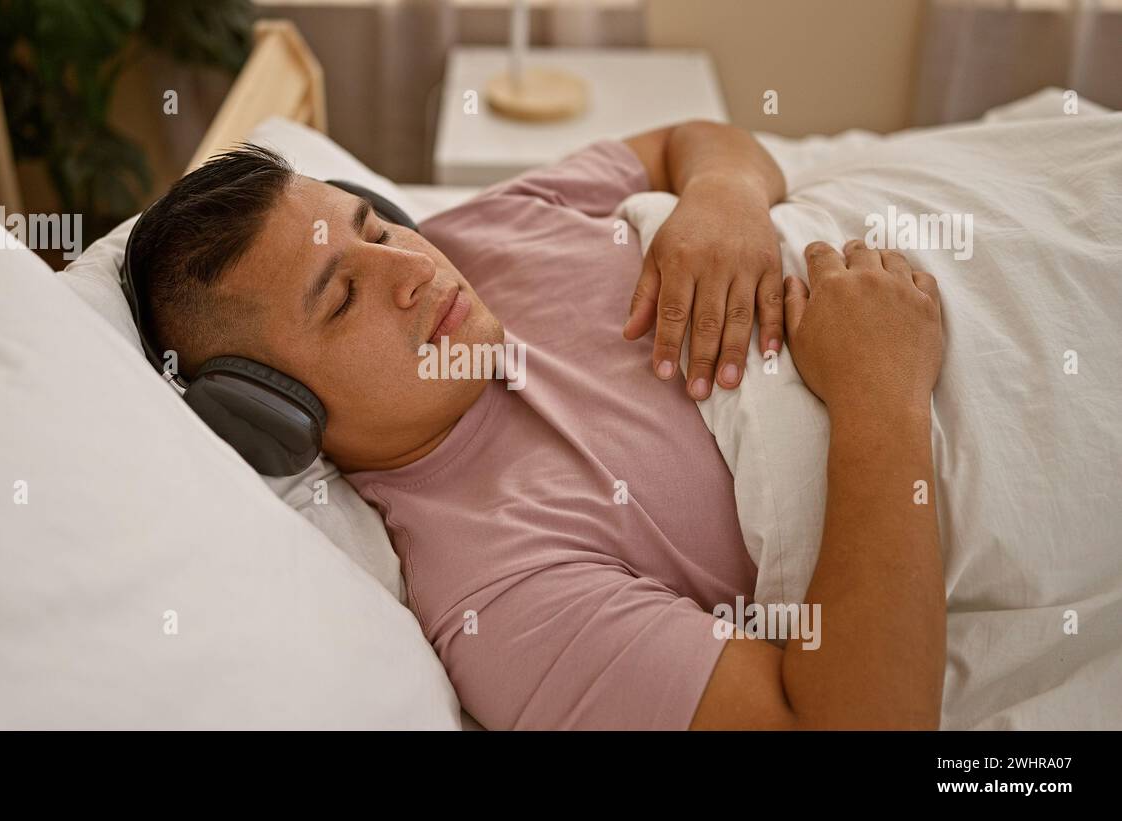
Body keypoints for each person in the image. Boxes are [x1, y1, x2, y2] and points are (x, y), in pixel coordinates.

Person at [128, 120, 944, 729]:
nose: (410, 268)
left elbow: (692, 144)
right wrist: (883, 394)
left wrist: (724, 199)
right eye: (341, 297)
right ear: (273, 407)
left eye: (373, 228)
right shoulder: (503, 595)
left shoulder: (481, 230)